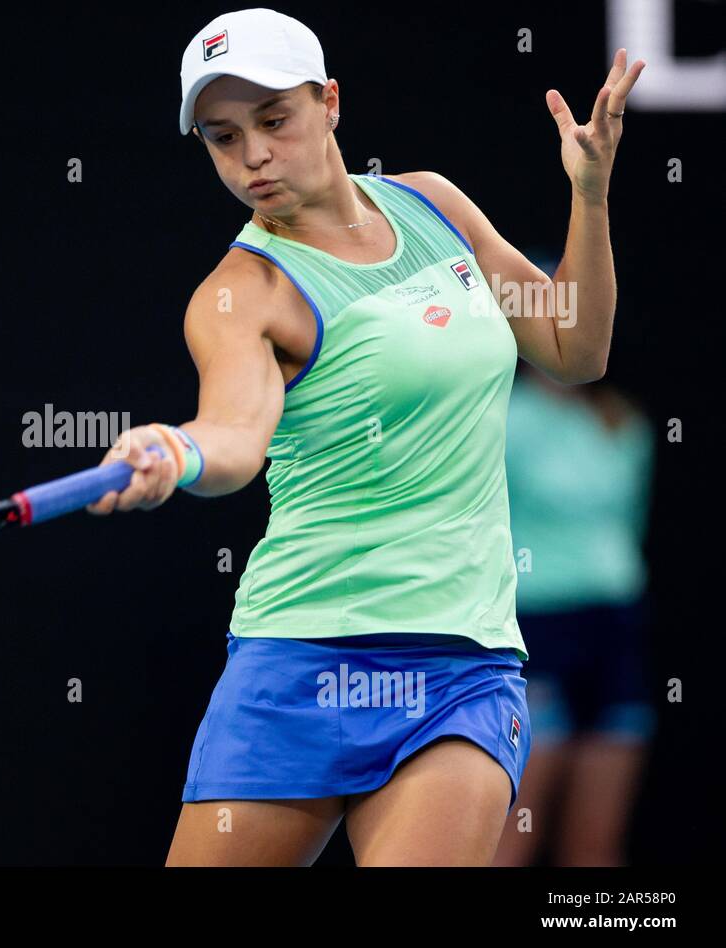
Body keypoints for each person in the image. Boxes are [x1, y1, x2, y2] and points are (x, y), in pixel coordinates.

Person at [82, 9, 645, 865]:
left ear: (330, 102)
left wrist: (590, 194)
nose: (254, 158)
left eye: (275, 121)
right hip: (295, 664)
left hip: (462, 667)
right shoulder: (242, 294)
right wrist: (179, 452)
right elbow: (235, 434)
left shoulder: (434, 205)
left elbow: (574, 347)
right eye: (223, 138)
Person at [492, 361, 656, 866]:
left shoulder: (621, 420)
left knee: (596, 846)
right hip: (539, 630)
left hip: (616, 632)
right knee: (513, 839)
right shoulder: (503, 419)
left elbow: (628, 524)